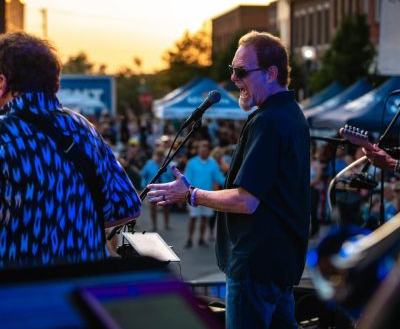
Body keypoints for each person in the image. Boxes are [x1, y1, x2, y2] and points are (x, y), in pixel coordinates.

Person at [148, 31, 310, 329]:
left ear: (272, 74)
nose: (234, 79)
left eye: (241, 71)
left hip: (256, 266)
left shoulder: (269, 121)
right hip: (277, 264)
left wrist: (191, 195)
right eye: (232, 70)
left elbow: (246, 200)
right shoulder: (291, 114)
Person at [0, 32, 141, 269]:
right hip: (82, 290)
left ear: (2, 83)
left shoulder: (5, 134)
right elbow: (127, 206)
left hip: (19, 292)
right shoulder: (83, 129)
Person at [183, 140, 225, 248]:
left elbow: (219, 178)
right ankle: (189, 239)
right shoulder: (192, 162)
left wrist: (230, 182)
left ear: (208, 151)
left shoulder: (212, 163)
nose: (204, 152)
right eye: (202, 150)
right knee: (193, 218)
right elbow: (187, 179)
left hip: (207, 195)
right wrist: (186, 193)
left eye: (206, 150)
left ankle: (201, 238)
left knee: (204, 218)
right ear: (198, 151)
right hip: (193, 196)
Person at [141, 148, 174, 231]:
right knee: (153, 207)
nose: (159, 157)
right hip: (153, 189)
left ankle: (166, 224)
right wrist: (144, 186)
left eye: (160, 156)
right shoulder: (150, 164)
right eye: (157, 155)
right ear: (155, 156)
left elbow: (170, 176)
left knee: (166, 206)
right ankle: (154, 225)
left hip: (164, 187)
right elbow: (143, 174)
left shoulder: (166, 165)